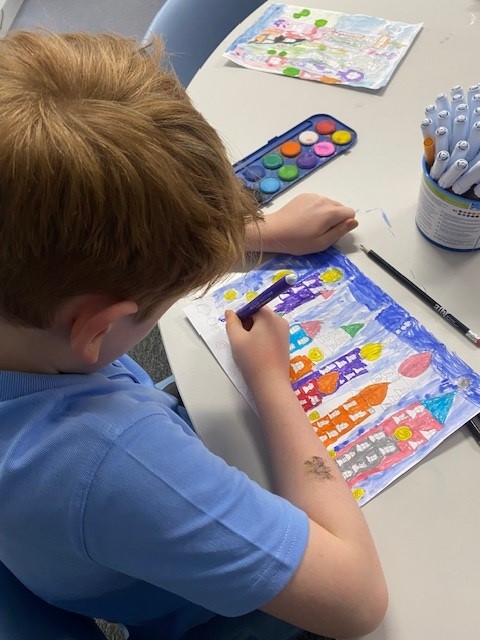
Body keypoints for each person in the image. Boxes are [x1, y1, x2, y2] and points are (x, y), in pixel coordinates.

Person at [0, 31, 387, 640]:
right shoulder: (111, 459)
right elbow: (357, 602)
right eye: (159, 305)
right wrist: (271, 382)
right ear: (97, 328)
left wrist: (257, 233)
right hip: (197, 609)